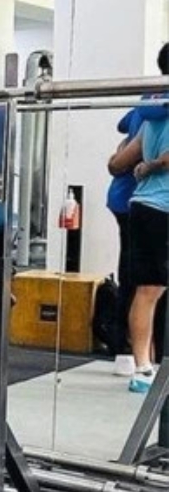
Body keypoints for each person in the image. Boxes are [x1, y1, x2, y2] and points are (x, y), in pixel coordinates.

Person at [107, 42, 169, 393]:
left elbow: (120, 161)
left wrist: (147, 164)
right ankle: (143, 367)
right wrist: (156, 163)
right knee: (149, 289)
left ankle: (143, 366)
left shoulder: (150, 111)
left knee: (147, 290)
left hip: (143, 206)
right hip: (158, 208)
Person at [105, 109, 143, 374]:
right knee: (137, 277)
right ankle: (125, 348)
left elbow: (122, 126)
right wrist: (122, 153)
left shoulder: (144, 106)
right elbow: (118, 164)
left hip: (129, 200)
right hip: (132, 201)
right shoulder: (155, 109)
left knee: (135, 275)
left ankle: (127, 348)